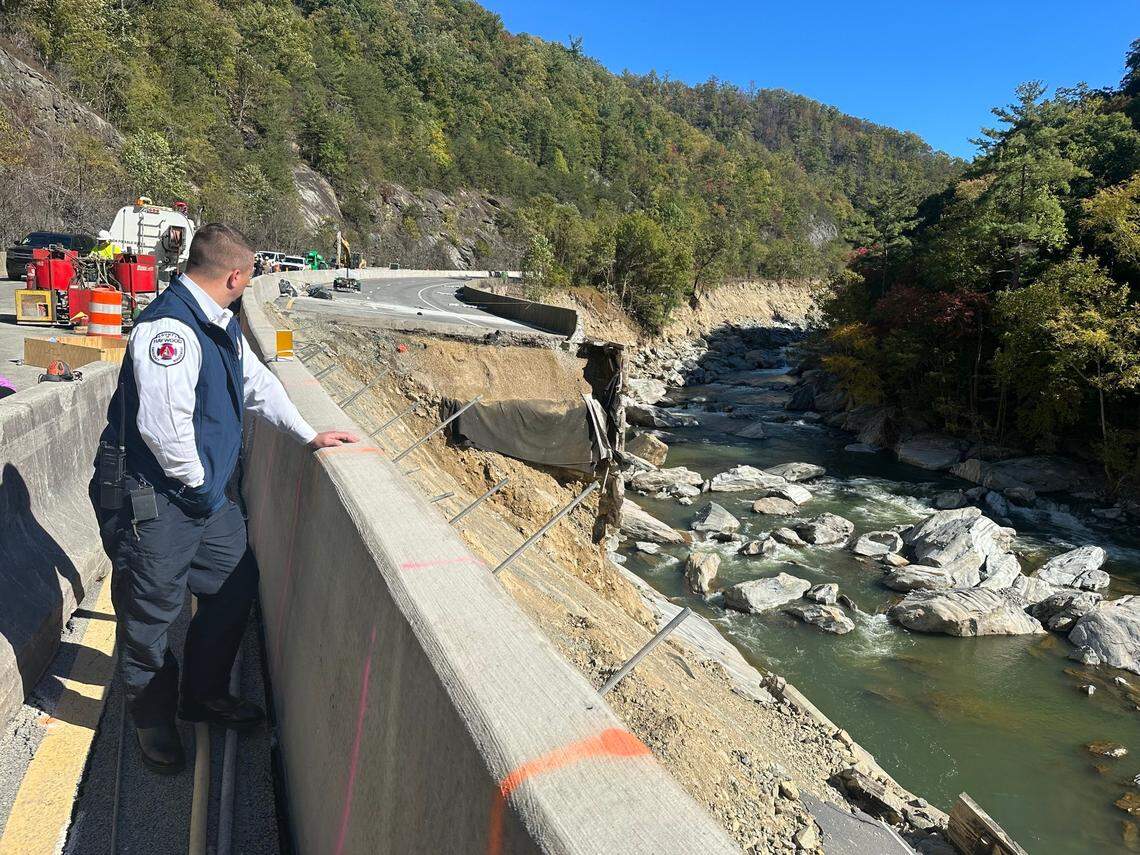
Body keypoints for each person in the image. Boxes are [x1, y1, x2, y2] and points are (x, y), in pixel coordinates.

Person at [91, 223, 357, 774]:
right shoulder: (171, 331)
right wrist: (203, 489)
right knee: (150, 616)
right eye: (250, 275)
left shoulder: (219, 324)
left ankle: (203, 694)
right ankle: (153, 719)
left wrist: (308, 432)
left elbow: (257, 384)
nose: (250, 283)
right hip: (159, 501)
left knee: (234, 586)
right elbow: (165, 433)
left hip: (201, 499)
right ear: (235, 275)